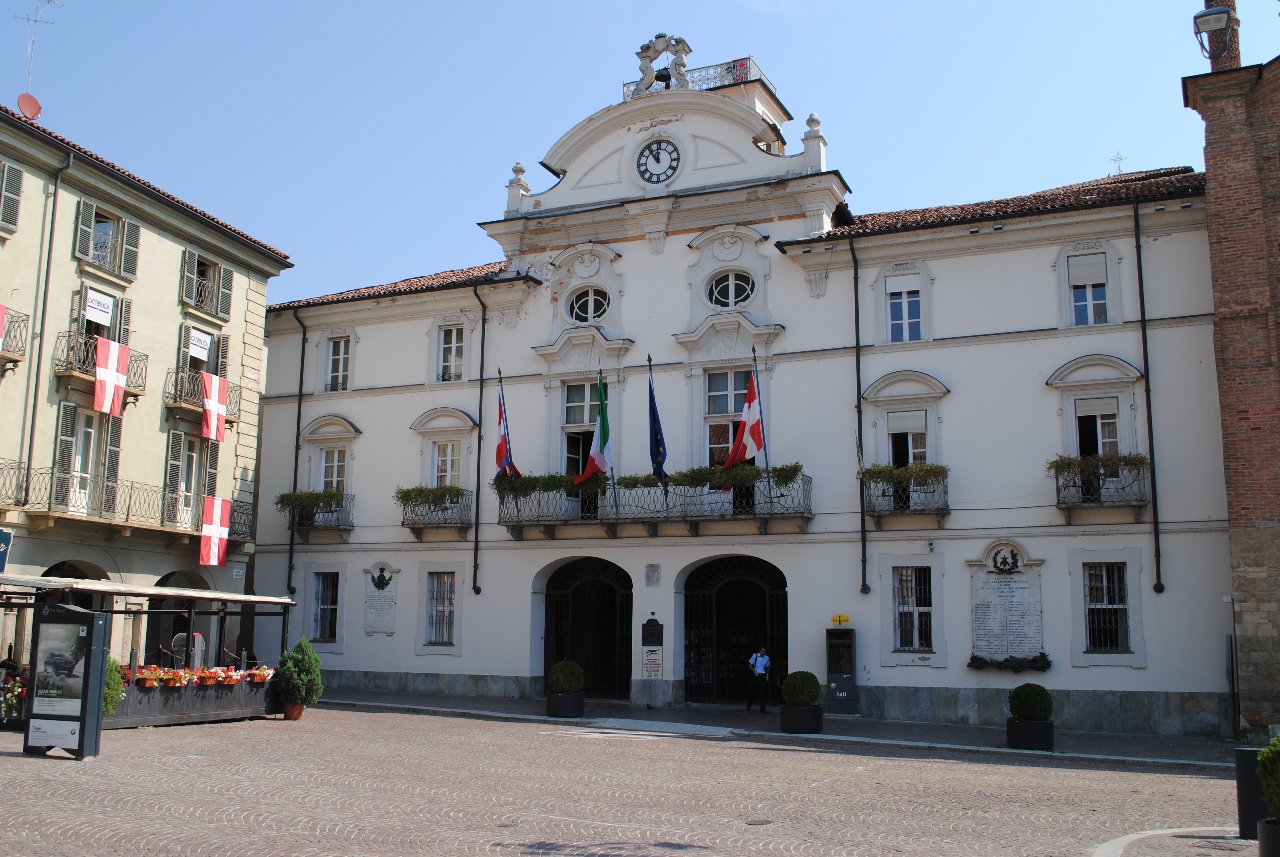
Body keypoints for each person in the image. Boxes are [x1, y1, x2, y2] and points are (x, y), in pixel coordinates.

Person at [746, 645, 770, 714]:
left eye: (764, 651)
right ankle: (749, 705)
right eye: (762, 651)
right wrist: (754, 671)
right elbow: (750, 664)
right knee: (752, 691)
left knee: (762, 692)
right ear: (760, 651)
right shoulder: (755, 656)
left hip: (762, 675)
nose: (763, 653)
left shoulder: (766, 658)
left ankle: (762, 708)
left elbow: (768, 666)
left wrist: (767, 674)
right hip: (756, 675)